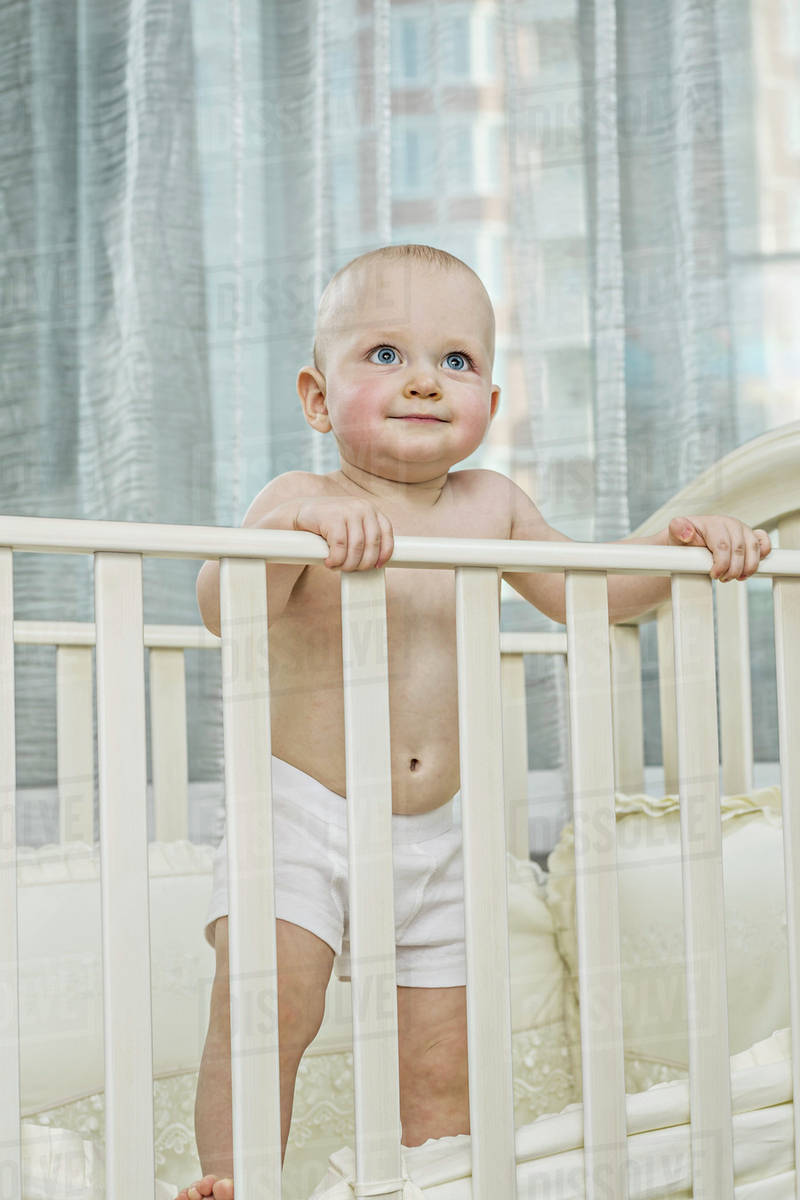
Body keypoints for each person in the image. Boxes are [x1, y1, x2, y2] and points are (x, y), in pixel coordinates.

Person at [177, 244, 770, 1200]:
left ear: (491, 402)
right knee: (267, 1013)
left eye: (456, 362)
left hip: (438, 839)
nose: (422, 380)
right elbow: (220, 607)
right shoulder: (300, 499)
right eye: (384, 355)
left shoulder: (492, 506)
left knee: (441, 1062)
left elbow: (596, 591)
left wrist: (690, 543)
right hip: (302, 818)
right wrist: (294, 536)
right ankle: (227, 1176)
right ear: (319, 399)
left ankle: (433, 1182)